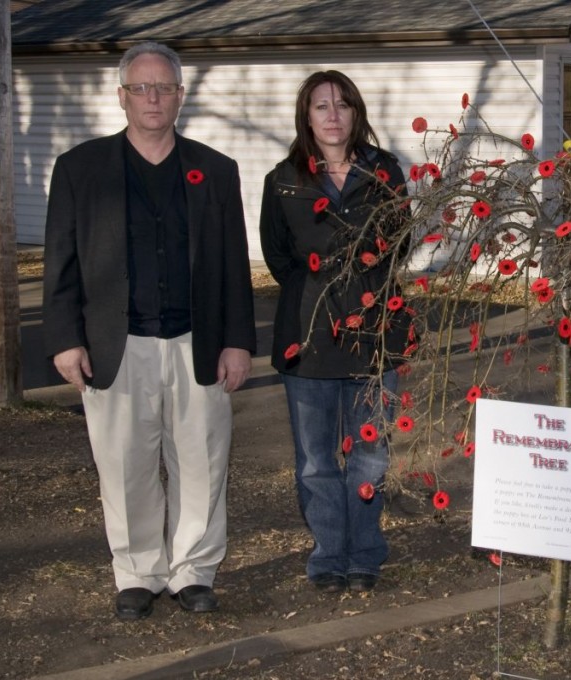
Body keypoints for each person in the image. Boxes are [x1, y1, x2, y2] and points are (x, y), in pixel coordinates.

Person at [42, 42, 256, 621]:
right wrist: (64, 337)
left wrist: (239, 341)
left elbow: (234, 265)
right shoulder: (80, 169)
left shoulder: (215, 170)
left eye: (164, 87)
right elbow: (60, 259)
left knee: (202, 463)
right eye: (142, 87)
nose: (153, 97)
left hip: (199, 344)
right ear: (122, 97)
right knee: (124, 463)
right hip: (116, 345)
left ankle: (192, 571)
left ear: (181, 96)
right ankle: (138, 572)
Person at [260, 71, 411, 594]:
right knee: (316, 461)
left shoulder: (385, 172)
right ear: (306, 115)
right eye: (321, 105)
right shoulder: (283, 179)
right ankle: (328, 555)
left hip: (375, 335)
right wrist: (323, 291)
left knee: (371, 455)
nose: (332, 115)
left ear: (355, 113)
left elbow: (400, 246)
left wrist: (359, 286)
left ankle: (365, 553)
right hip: (307, 339)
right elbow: (279, 257)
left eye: (342, 105)